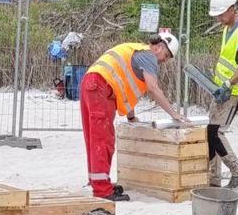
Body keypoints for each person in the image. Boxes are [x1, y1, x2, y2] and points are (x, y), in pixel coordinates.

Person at [81, 32, 189, 201]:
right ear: (159, 46)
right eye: (166, 56)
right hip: (100, 86)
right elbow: (153, 88)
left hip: (94, 83)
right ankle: (102, 190)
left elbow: (125, 89)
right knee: (103, 140)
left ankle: (99, 183)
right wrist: (174, 113)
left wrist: (131, 117)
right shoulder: (149, 57)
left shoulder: (137, 53)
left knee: (95, 139)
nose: (164, 61)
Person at [207, 0, 238, 189]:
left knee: (216, 133)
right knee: (210, 132)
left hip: (233, 92)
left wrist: (228, 84)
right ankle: (213, 178)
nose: (218, 18)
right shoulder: (228, 28)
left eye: (221, 14)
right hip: (222, 90)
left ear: (231, 9)